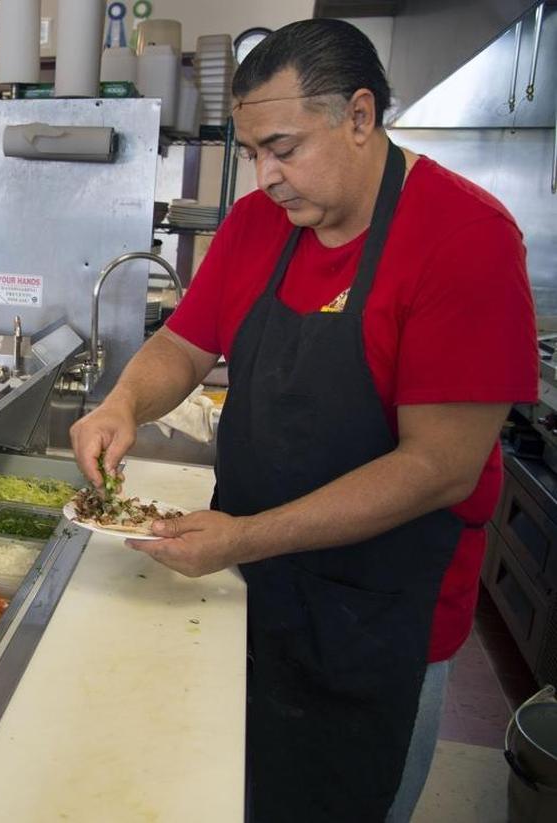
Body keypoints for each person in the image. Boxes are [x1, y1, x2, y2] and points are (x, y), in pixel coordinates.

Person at [70, 19, 536, 823]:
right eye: (252, 152)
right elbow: (183, 345)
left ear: (359, 116)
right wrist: (122, 401)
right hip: (249, 585)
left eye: (282, 147)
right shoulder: (258, 225)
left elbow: (440, 466)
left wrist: (247, 536)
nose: (266, 176)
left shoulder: (465, 239)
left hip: (378, 621)